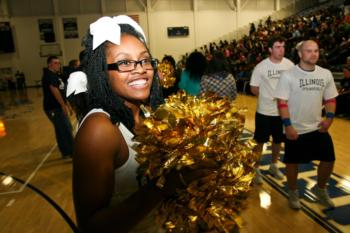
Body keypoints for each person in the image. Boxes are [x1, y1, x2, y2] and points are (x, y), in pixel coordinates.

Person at [73, 15, 208, 233]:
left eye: (145, 60)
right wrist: (166, 184)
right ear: (102, 72)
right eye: (125, 62)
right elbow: (92, 227)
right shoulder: (99, 130)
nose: (140, 69)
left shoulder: (147, 113)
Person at [274, 40, 338, 210]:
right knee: (292, 163)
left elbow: (330, 99)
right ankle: (293, 192)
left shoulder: (325, 74)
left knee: (329, 159)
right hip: (295, 128)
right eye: (309, 51)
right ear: (301, 54)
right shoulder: (288, 75)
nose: (313, 54)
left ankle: (320, 189)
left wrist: (329, 118)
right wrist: (287, 126)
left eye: (316, 50)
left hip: (318, 127)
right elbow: (282, 102)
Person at [249, 36, 294, 184]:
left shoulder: (290, 65)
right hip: (264, 111)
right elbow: (254, 88)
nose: (281, 50)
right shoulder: (261, 67)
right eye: (277, 47)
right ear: (270, 49)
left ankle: (274, 165)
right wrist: (268, 96)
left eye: (283, 47)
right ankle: (255, 168)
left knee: (278, 140)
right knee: (260, 142)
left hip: (282, 112)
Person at [42, 56, 74, 159]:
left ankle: (66, 152)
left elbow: (62, 92)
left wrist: (68, 105)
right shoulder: (49, 75)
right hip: (53, 108)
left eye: (59, 63)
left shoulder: (56, 75)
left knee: (62, 129)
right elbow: (54, 91)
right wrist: (62, 105)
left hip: (58, 107)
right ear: (49, 64)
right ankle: (73, 152)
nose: (58, 65)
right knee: (66, 129)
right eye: (55, 63)